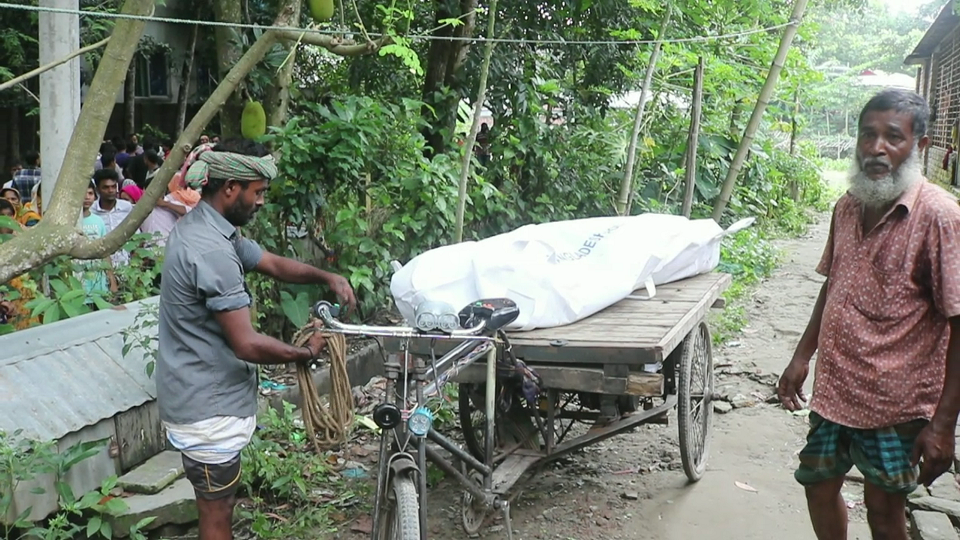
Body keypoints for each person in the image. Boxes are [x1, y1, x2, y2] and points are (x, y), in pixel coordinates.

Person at [777, 88, 960, 540]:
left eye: (892, 137)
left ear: (919, 145)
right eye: (867, 134)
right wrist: (802, 357)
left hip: (896, 403)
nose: (876, 148)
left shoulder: (938, 216)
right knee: (817, 485)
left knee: (883, 510)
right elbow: (832, 284)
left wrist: (943, 423)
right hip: (836, 390)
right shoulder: (848, 205)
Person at [156, 138, 357, 540]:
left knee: (220, 505)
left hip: (200, 401)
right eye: (258, 192)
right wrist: (305, 352)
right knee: (217, 516)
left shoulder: (208, 227)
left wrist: (325, 276)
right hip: (208, 412)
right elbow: (246, 343)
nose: (261, 201)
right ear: (231, 188)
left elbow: (268, 262)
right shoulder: (211, 250)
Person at [77, 181, 118, 303]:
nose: (86, 197)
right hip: (78, 279)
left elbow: (105, 251)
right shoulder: (70, 222)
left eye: (90, 193)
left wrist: (112, 279)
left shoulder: (98, 221)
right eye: (83, 194)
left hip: (97, 280)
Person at [92, 168, 135, 266]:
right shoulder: (90, 211)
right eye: (106, 187)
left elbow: (136, 236)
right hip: (99, 265)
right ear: (97, 190)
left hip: (125, 264)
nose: (110, 190)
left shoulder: (127, 207)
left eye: (113, 187)